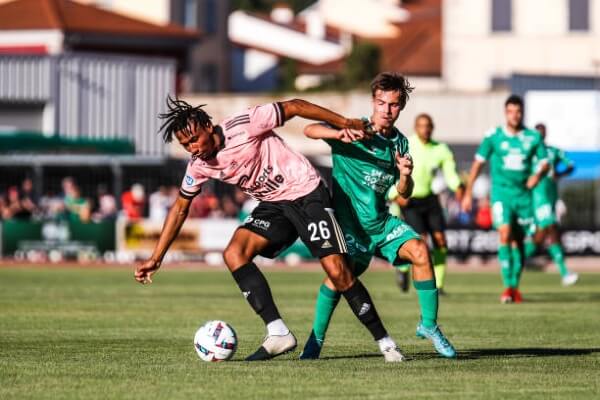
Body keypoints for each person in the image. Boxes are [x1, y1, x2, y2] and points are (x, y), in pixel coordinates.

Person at [134, 96, 405, 362]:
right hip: (275, 205)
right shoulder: (199, 165)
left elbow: (296, 106)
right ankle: (278, 333)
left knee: (338, 271)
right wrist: (157, 257)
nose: (191, 148)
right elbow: (180, 207)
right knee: (234, 253)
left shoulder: (244, 124)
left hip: (307, 192)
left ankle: (385, 342)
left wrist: (346, 122)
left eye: (193, 139)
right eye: (184, 144)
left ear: (207, 126)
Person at [300, 72, 457, 360]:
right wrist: (338, 132)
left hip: (381, 224)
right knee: (337, 280)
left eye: (394, 104)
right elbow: (309, 130)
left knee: (421, 250)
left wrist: (406, 175)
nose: (387, 110)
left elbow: (404, 193)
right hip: (350, 227)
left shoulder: (400, 143)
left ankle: (429, 325)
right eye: (382, 103)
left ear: (401, 107)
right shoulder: (354, 130)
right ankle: (316, 340)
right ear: (373, 102)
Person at [462, 95, 549, 303]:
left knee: (518, 242)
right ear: (505, 112)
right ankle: (507, 287)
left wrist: (536, 175)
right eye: (510, 111)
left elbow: (545, 162)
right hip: (501, 194)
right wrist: (467, 193)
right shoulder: (494, 136)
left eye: (518, 111)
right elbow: (477, 163)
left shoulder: (533, 137)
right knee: (504, 233)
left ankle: (514, 287)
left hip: (523, 197)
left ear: (522, 113)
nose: (514, 115)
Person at [388, 114, 464, 294]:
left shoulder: (441, 149)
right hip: (409, 200)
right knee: (420, 241)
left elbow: (450, 173)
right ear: (416, 127)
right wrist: (394, 194)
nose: (425, 129)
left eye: (428, 126)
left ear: (432, 127)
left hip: (430, 199)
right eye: (421, 126)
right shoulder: (406, 144)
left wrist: (458, 186)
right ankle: (404, 268)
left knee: (440, 240)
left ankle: (439, 285)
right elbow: (393, 171)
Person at [524, 123, 578, 286]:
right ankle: (564, 273)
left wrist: (559, 174)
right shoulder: (527, 153)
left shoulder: (553, 152)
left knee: (540, 237)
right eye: (537, 134)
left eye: (542, 133)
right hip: (537, 199)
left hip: (551, 198)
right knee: (551, 231)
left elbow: (571, 165)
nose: (540, 137)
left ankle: (517, 259)